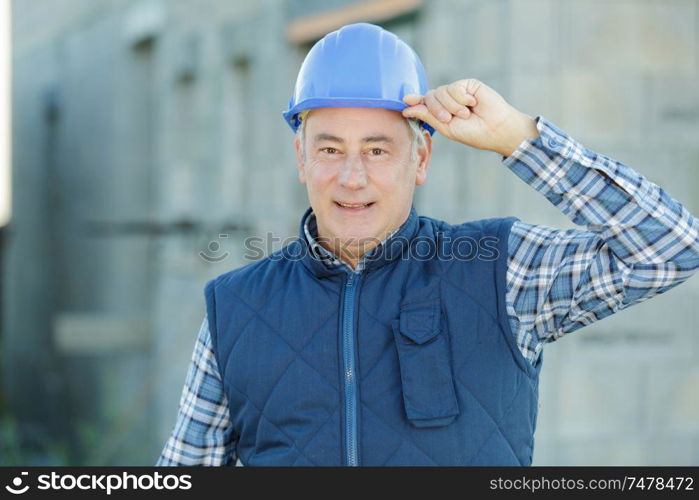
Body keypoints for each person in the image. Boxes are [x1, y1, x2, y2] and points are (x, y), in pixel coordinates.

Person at [156, 23, 699, 466]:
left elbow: (671, 247)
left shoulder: (500, 270)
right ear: (301, 159)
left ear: (420, 160)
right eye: (329, 150)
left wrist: (518, 137)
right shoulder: (235, 307)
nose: (351, 177)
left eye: (377, 150)